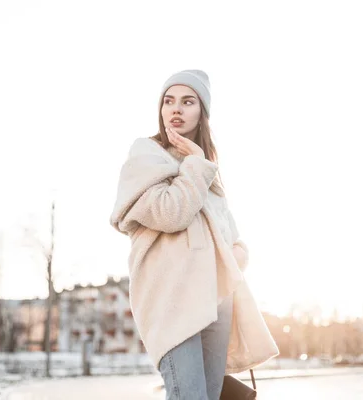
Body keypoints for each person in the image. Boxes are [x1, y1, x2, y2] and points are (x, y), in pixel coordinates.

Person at [110, 69, 278, 399]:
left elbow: (231, 236)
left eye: (188, 101)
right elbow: (171, 213)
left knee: (211, 395)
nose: (176, 109)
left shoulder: (208, 172)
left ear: (202, 111)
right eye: (168, 101)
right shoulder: (146, 156)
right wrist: (196, 163)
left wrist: (237, 256)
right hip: (173, 301)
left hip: (217, 298)